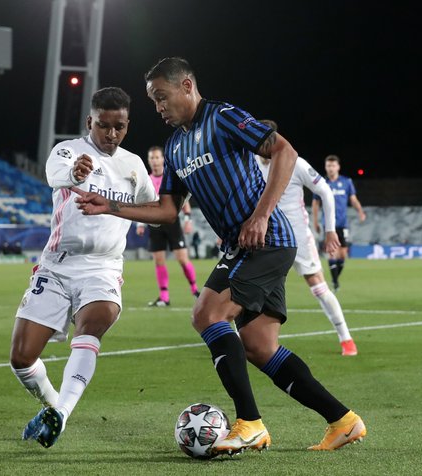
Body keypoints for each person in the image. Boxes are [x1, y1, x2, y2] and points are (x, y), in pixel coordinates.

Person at [74, 57, 366, 454]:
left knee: (206, 314)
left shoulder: (223, 117)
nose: (158, 107)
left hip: (266, 239)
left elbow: (285, 152)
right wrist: (110, 205)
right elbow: (167, 211)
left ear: (187, 86)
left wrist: (261, 215)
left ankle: (249, 424)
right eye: (153, 101)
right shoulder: (176, 146)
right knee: (259, 346)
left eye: (162, 97)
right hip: (241, 246)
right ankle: (343, 421)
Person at [9, 87, 156, 449]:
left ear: (127, 125)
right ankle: (52, 406)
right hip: (57, 266)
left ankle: (62, 413)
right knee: (22, 358)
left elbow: (154, 210)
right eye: (104, 126)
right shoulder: (68, 150)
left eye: (119, 127)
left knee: (94, 323)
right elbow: (55, 175)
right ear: (90, 121)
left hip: (103, 268)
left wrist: (122, 209)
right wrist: (76, 173)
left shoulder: (134, 165)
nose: (111, 134)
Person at [256, 120, 357, 356]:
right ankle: (243, 339)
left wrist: (330, 229)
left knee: (318, 286)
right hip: (266, 236)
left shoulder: (294, 162)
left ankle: (346, 339)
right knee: (248, 287)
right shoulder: (248, 162)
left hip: (296, 236)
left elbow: (325, 191)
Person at [136, 145, 199, 307]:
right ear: (149, 161)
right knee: (159, 261)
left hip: (172, 222)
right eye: (152, 158)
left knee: (182, 259)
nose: (155, 161)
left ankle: (195, 290)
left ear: (163, 159)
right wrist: (140, 223)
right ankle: (164, 297)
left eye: (157, 157)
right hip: (154, 224)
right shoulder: (147, 180)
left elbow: (183, 201)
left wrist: (187, 220)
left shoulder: (171, 178)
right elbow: (142, 203)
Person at [312, 155, 366, 291]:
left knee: (342, 255)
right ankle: (335, 282)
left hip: (343, 223)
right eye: (328, 165)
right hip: (329, 225)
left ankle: (335, 279)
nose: (330, 168)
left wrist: (360, 211)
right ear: (325, 167)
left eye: (333, 165)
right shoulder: (321, 182)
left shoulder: (347, 182)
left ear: (338, 167)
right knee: (332, 253)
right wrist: (315, 222)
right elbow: (315, 203)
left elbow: (353, 199)